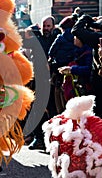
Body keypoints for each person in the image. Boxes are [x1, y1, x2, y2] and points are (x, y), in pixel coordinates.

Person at [22, 16, 61, 150]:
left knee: (52, 111)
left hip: (53, 81)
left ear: (54, 26)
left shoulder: (57, 39)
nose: (46, 29)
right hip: (39, 80)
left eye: (48, 26)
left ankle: (53, 139)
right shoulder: (38, 40)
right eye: (44, 26)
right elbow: (23, 41)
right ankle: (39, 138)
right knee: (37, 109)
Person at [48, 16, 78, 113]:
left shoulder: (60, 38)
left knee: (59, 90)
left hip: (60, 67)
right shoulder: (77, 37)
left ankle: (61, 111)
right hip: (73, 67)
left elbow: (51, 52)